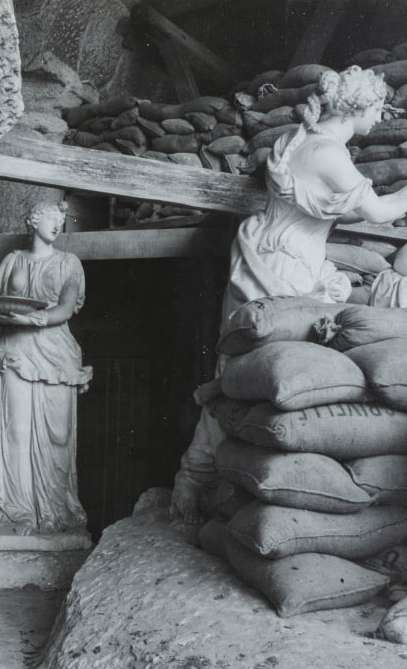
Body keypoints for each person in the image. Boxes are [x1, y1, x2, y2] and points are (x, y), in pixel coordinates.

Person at [171, 65, 407, 523]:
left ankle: (214, 480)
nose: (381, 118)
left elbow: (328, 207)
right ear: (356, 108)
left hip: (276, 258)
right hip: (285, 269)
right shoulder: (328, 154)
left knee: (253, 377)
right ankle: (201, 479)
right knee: (256, 378)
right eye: (378, 108)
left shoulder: (300, 139)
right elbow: (379, 212)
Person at [0, 200, 92, 535]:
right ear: (32, 222)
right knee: (15, 432)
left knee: (58, 438)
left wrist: (31, 319)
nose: (57, 225)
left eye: (61, 220)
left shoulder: (69, 262)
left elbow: (65, 308)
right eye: (51, 218)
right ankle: (19, 510)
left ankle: (55, 511)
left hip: (55, 354)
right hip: (15, 351)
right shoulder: (13, 259)